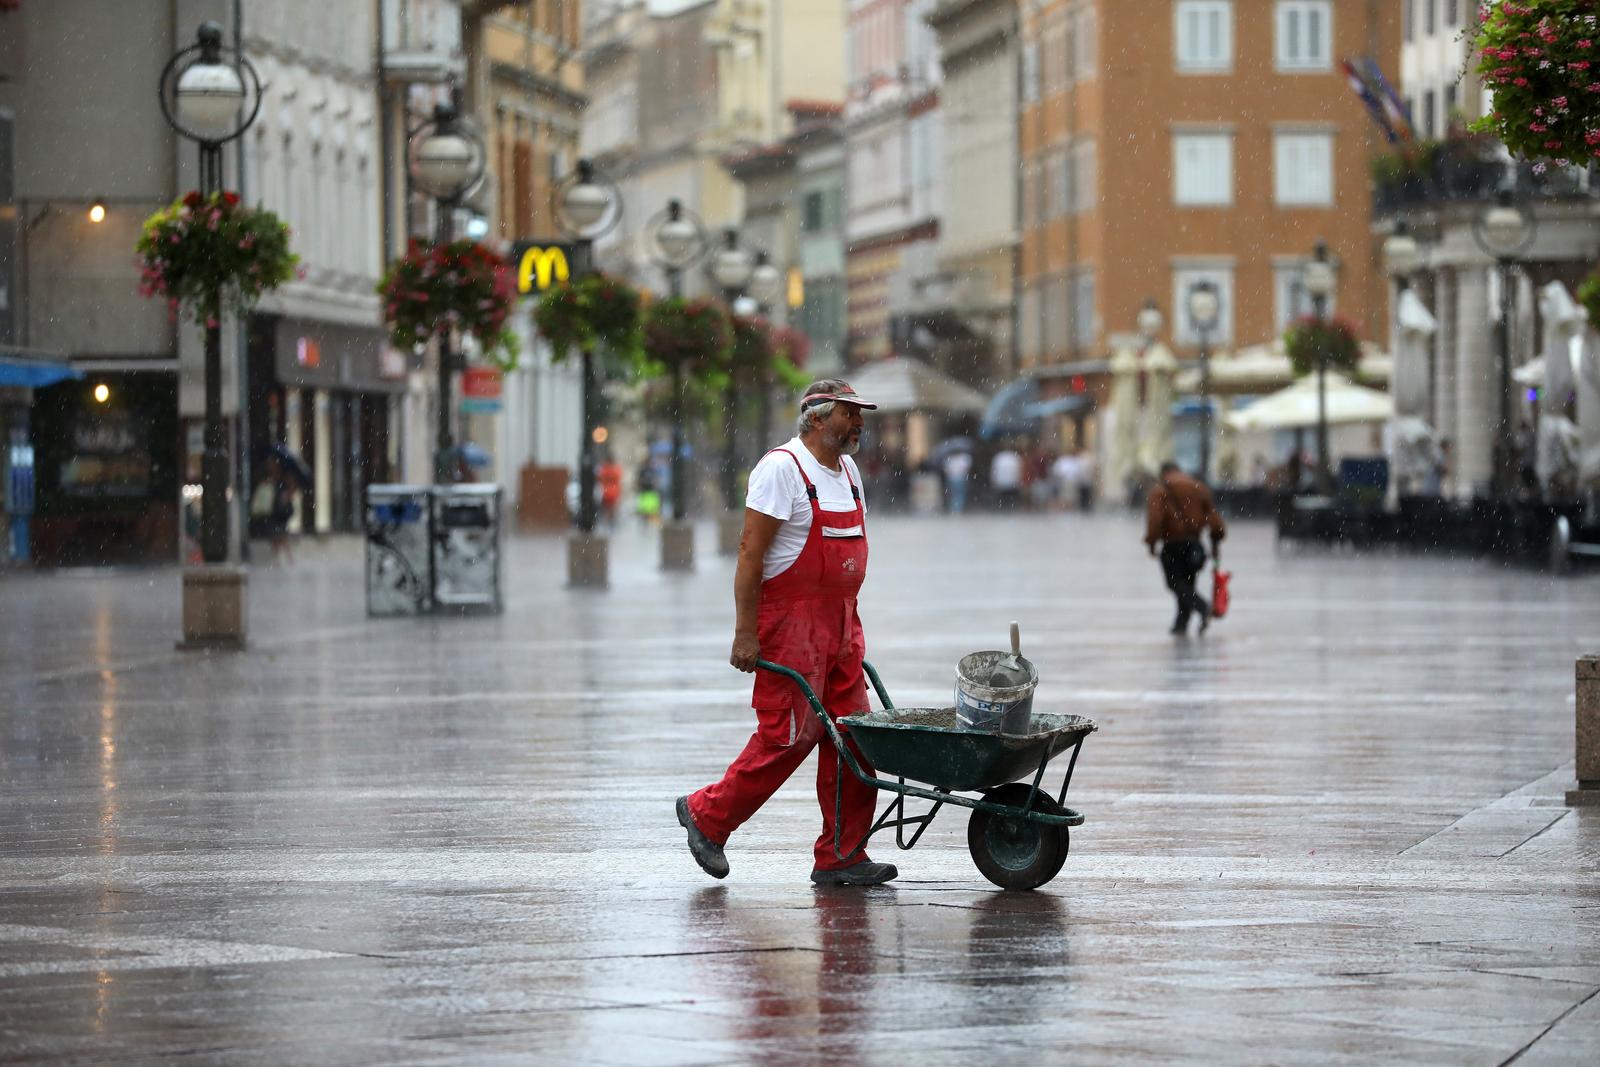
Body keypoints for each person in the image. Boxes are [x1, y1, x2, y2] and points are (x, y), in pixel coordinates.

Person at [677, 379, 896, 887]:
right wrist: (745, 632)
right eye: (849, 413)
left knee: (854, 738)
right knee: (789, 737)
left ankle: (841, 855)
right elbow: (751, 556)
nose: (859, 422)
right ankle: (707, 815)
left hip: (841, 623)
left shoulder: (849, 471)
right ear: (817, 419)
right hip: (790, 626)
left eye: (860, 414)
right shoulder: (782, 469)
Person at [1145, 461, 1226, 636]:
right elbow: (1214, 520)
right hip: (1194, 544)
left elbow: (1155, 520)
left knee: (1175, 582)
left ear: (1163, 473)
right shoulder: (1198, 488)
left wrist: (1152, 542)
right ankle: (1181, 623)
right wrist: (1215, 542)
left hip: (1172, 544)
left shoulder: (1160, 491)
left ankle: (1202, 607)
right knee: (1187, 583)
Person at [248, 456, 295, 565]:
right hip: (273, 511)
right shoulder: (268, 478)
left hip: (280, 511)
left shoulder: (282, 479)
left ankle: (286, 560)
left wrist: (286, 496)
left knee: (281, 536)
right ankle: (278, 559)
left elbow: (288, 492)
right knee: (277, 537)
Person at [990, 445, 1023, 511]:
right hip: (1012, 483)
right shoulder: (1016, 457)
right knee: (1011, 502)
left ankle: (1002, 512)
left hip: (1001, 483)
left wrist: (993, 481)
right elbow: (1020, 471)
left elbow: (994, 471)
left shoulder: (998, 457)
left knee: (1001, 502)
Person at [942, 448, 973, 514]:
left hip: (951, 478)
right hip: (960, 478)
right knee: (960, 494)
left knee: (953, 494)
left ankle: (954, 508)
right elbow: (967, 469)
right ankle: (958, 508)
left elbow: (946, 470)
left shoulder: (949, 459)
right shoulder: (964, 458)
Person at [597, 454, 624, 529]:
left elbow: (600, 478)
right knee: (612, 509)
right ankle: (612, 524)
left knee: (606, 509)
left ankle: (607, 524)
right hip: (614, 492)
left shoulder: (604, 469)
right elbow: (619, 478)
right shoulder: (616, 469)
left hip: (605, 492)